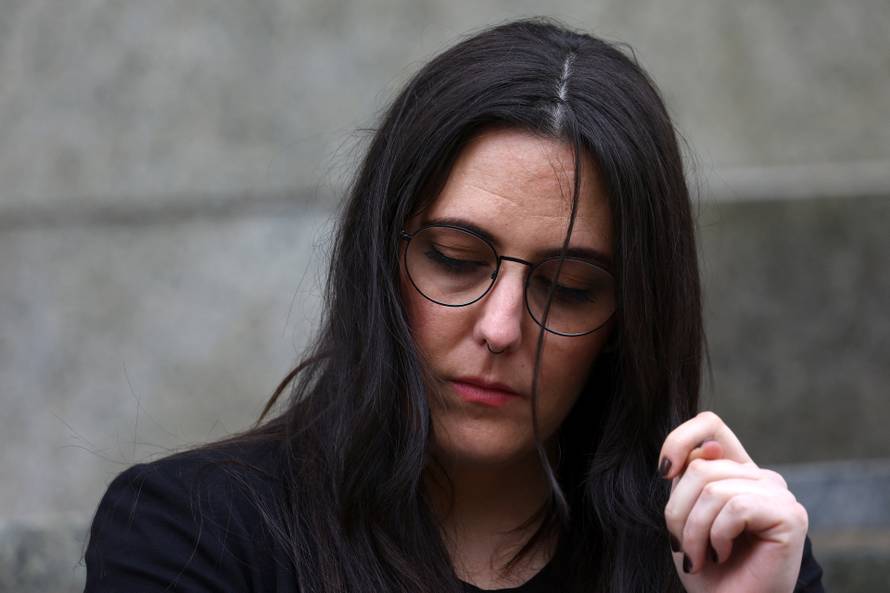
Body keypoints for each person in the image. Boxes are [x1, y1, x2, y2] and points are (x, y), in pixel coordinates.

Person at [84, 18, 825, 593]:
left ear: (627, 320)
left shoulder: (719, 548)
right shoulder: (190, 531)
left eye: (567, 287)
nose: (500, 327)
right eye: (456, 259)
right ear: (384, 256)